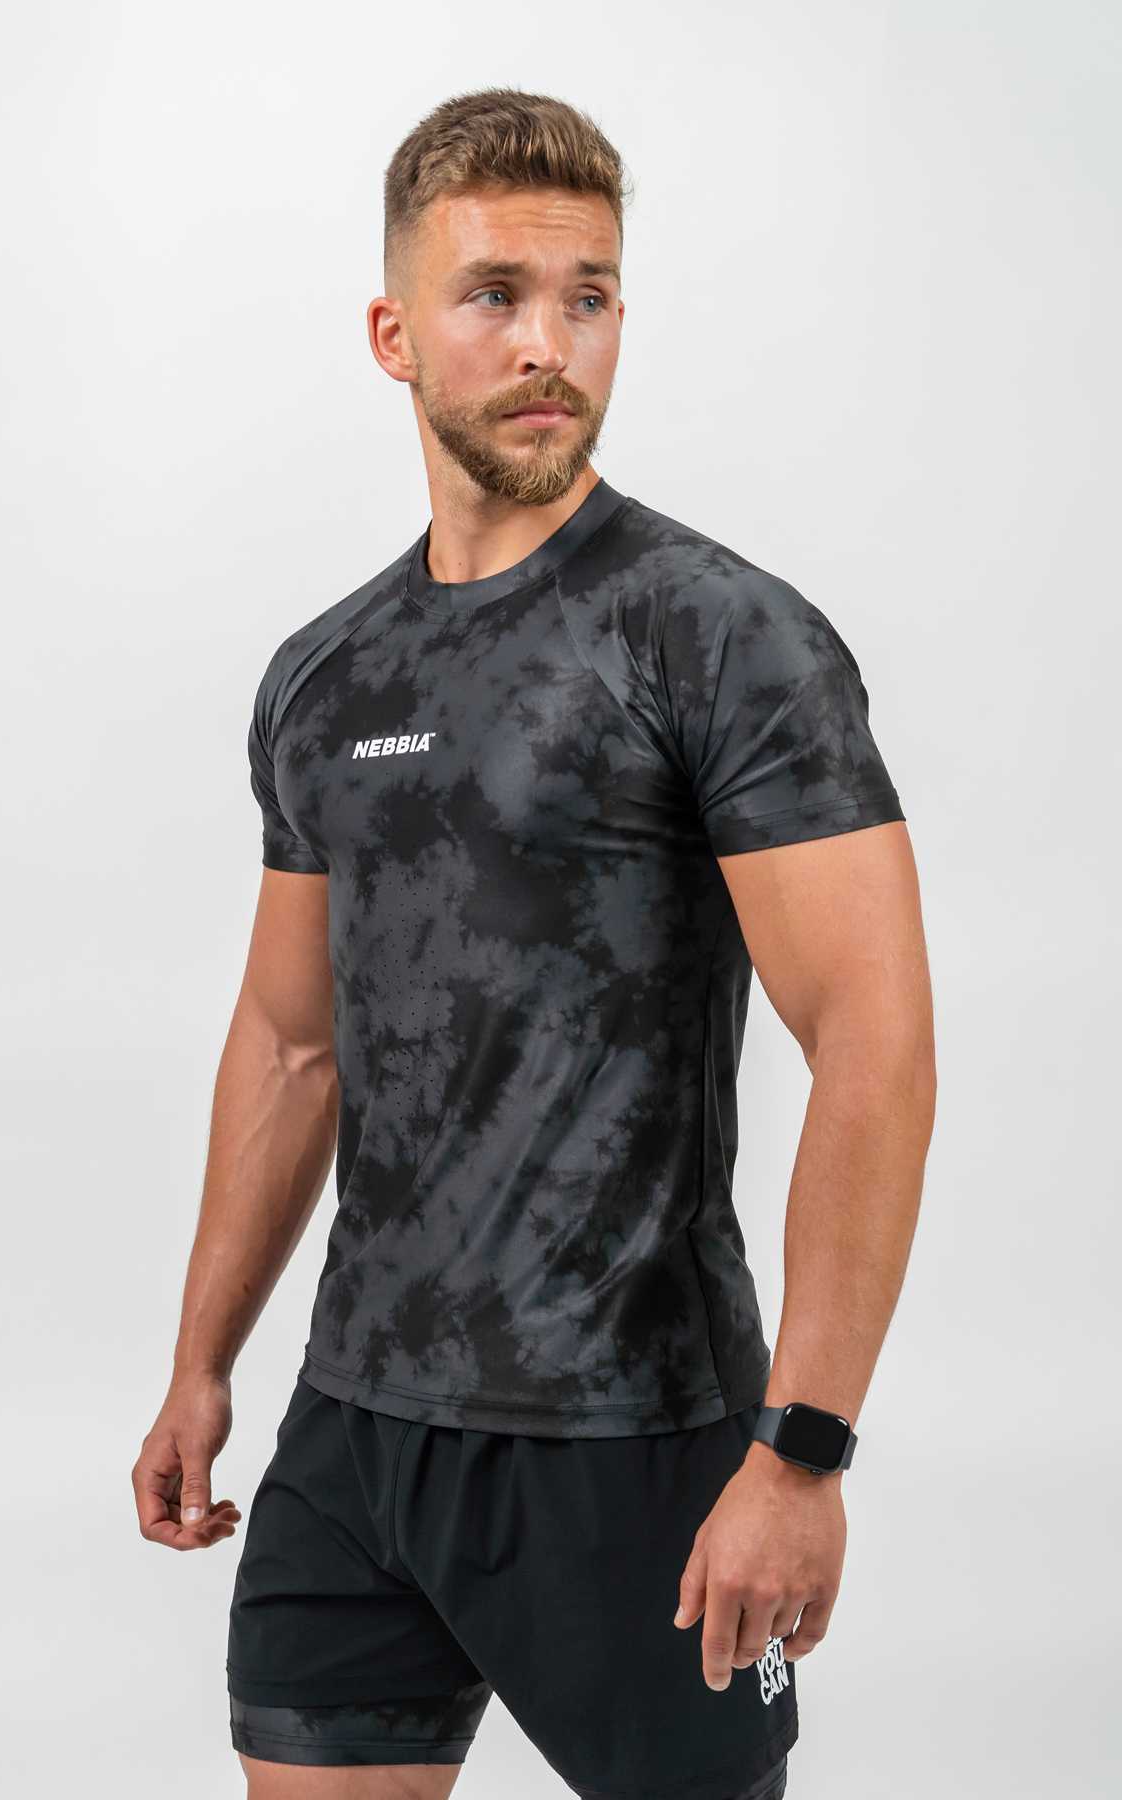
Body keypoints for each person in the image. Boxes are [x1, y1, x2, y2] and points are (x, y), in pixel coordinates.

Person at [132, 86, 936, 1800]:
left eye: (589, 297)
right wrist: (203, 1364)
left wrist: (802, 1451)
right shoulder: (325, 674)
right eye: (494, 294)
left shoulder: (720, 636)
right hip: (357, 1432)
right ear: (394, 333)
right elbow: (290, 1042)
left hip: (630, 1439)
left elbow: (873, 1038)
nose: (547, 344)